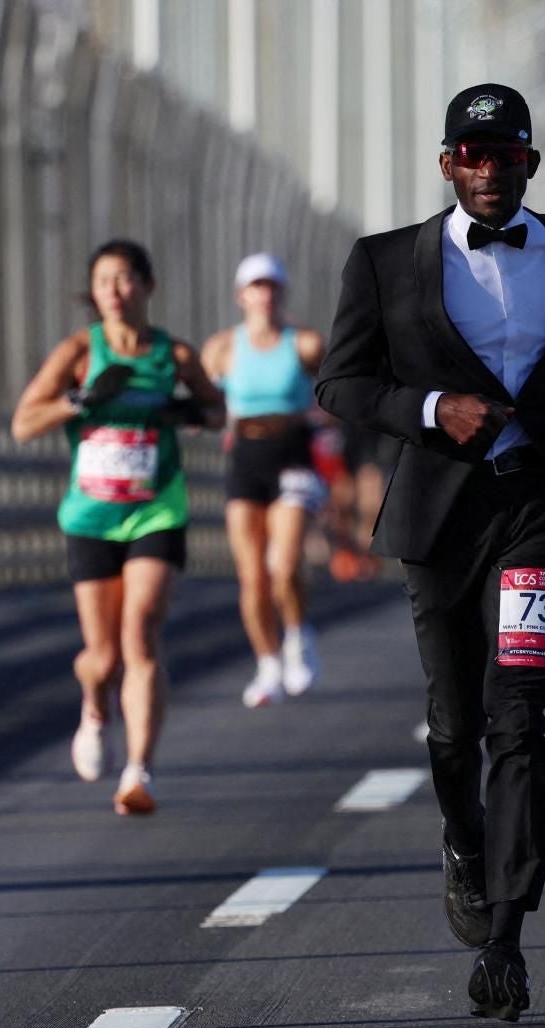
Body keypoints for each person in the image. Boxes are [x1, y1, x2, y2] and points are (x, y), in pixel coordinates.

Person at [315, 84, 545, 1022]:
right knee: (453, 727)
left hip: (538, 506)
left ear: (532, 164)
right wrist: (427, 410)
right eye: (473, 155)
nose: (491, 172)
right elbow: (341, 382)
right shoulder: (383, 262)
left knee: (520, 720)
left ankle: (505, 939)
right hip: (441, 514)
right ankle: (462, 838)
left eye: (508, 157)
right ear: (448, 164)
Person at [11, 240, 225, 815]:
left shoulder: (173, 355)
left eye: (126, 278)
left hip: (156, 508)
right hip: (92, 514)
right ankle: (94, 702)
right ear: (93, 291)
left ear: (147, 287)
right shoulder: (81, 350)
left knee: (142, 632)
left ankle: (138, 772)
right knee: (102, 656)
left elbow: (218, 409)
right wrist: (77, 400)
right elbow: (24, 422)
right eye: (103, 280)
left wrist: (188, 412)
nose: (114, 290)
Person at [200, 253, 327, 706]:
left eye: (272, 287)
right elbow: (203, 401)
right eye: (256, 287)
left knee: (284, 565)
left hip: (292, 454)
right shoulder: (222, 348)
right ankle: (267, 662)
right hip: (246, 458)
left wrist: (323, 418)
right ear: (241, 296)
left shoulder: (305, 344)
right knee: (252, 578)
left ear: (282, 293)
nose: (264, 296)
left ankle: (298, 635)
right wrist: (203, 416)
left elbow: (342, 386)